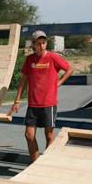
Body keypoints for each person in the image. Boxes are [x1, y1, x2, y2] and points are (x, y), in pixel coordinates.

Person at [10, 30, 72, 163]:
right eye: (39, 43)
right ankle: (34, 164)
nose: (42, 46)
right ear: (33, 44)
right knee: (29, 135)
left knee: (49, 135)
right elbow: (23, 81)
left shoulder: (53, 57)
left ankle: (47, 164)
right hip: (33, 104)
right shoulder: (29, 59)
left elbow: (69, 69)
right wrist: (17, 100)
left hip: (48, 104)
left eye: (44, 43)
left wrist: (59, 82)